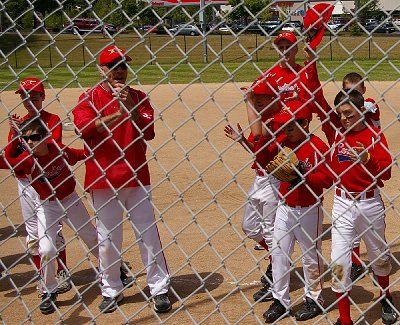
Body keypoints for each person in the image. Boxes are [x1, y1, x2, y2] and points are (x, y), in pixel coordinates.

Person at [72, 45, 171, 314]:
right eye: (113, 66)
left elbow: (148, 132)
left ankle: (159, 287)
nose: (119, 71)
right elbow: (84, 128)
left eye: (123, 65)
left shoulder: (139, 97)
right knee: (108, 239)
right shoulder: (89, 98)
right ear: (101, 70)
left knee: (147, 233)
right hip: (103, 179)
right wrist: (117, 112)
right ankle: (111, 289)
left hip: (137, 175)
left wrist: (130, 108)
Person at [314, 89, 397, 325]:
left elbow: (387, 172)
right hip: (342, 204)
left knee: (378, 256)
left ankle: (385, 296)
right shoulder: (336, 133)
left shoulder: (374, 135)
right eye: (341, 114)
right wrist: (311, 61)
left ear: (361, 111)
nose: (344, 119)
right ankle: (345, 319)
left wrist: (368, 159)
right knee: (339, 263)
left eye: (349, 114)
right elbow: (317, 100)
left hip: (369, 203)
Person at [4, 118, 100, 315]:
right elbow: (4, 160)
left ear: (46, 137)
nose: (30, 142)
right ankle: (49, 291)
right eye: (27, 139)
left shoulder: (58, 150)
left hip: (70, 200)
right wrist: (15, 136)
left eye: (35, 137)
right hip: (47, 205)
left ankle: (115, 270)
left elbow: (79, 154)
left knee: (90, 236)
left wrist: (93, 150)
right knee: (46, 248)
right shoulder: (27, 161)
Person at [260, 100, 333, 323]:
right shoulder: (282, 141)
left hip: (309, 210)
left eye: (290, 127)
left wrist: (304, 175)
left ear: (305, 123)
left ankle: (314, 298)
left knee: (311, 258)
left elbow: (328, 179)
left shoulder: (319, 147)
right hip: (284, 207)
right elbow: (262, 159)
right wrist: (265, 135)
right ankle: (280, 300)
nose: (286, 131)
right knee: (280, 255)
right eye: (284, 127)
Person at [7, 78, 71, 295]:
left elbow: (49, 151)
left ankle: (62, 271)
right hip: (25, 182)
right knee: (33, 232)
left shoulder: (52, 120)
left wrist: (26, 147)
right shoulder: (20, 122)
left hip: (45, 181)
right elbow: (11, 158)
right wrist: (15, 134)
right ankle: (43, 275)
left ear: (42, 97)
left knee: (54, 229)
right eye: (25, 96)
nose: (29, 100)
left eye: (34, 96)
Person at [224, 80, 281, 302]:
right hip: (260, 178)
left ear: (273, 98)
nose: (256, 99)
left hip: (275, 180)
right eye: (254, 96)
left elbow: (258, 135)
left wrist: (247, 102)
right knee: (249, 226)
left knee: (268, 229)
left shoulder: (277, 120)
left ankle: (276, 274)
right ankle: (278, 257)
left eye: (261, 96)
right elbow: (257, 148)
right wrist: (241, 141)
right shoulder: (263, 118)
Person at [341, 72, 382, 282]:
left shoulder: (370, 104)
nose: (351, 95)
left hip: (370, 156)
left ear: (363, 91)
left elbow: (364, 109)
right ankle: (356, 262)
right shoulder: (345, 114)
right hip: (351, 158)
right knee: (351, 226)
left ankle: (377, 266)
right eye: (347, 91)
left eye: (355, 91)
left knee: (370, 228)